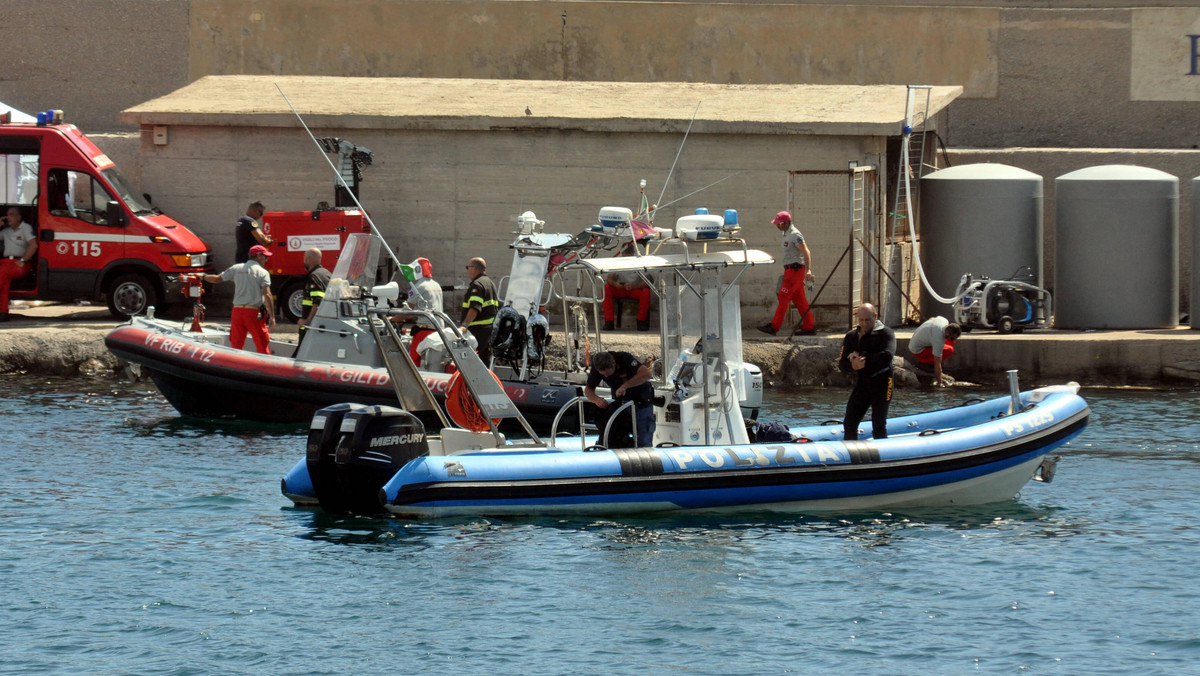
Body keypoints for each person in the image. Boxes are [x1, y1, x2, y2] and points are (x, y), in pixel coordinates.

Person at [838, 303, 896, 440]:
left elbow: (887, 356)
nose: (864, 324)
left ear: (875, 317)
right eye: (861, 320)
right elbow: (842, 364)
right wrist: (853, 365)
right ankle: (851, 454)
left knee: (878, 424)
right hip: (864, 383)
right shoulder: (851, 336)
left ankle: (883, 455)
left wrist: (863, 359)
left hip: (883, 382)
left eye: (867, 320)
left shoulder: (886, 333)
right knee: (850, 422)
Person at [205, 244, 276, 353]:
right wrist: (272, 316)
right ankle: (266, 368)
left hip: (237, 312)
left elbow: (216, 279)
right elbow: (267, 294)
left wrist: (202, 276)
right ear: (258, 256)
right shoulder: (263, 272)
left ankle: (235, 367)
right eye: (265, 256)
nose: (267, 259)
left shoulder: (236, 268)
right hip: (254, 313)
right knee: (262, 345)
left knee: (236, 346)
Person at [758, 210, 815, 336]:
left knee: (783, 297)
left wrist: (808, 269)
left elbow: (806, 251)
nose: (777, 226)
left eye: (779, 223)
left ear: (786, 223)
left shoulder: (795, 234)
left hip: (795, 272)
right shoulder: (787, 234)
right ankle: (809, 326)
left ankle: (774, 326)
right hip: (791, 271)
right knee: (800, 300)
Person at [585, 350, 655, 448]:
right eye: (603, 374)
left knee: (643, 435)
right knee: (616, 432)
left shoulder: (625, 358)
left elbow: (646, 374)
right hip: (620, 401)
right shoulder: (598, 366)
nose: (606, 376)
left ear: (613, 363)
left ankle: (645, 455)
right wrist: (596, 399)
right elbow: (588, 390)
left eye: (608, 374)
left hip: (640, 399)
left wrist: (625, 386)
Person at [602, 244, 652, 331]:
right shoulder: (617, 261)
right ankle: (609, 321)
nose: (627, 255)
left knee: (646, 292)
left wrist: (634, 286)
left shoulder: (640, 261)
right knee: (606, 288)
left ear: (633, 253)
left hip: (635, 288)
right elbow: (609, 279)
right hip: (621, 288)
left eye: (630, 254)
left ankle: (641, 321)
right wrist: (616, 284)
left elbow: (646, 281)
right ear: (622, 252)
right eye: (625, 253)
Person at [0, 206, 37, 322]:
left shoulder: (25, 228)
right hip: (5, 262)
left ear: (19, 217)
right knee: (4, 282)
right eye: (7, 215)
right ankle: (3, 313)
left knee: (2, 275)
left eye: (11, 214)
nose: (8, 217)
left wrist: (23, 260)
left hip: (20, 263)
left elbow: (34, 245)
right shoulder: (5, 231)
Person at [458, 257, 498, 364]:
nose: (467, 270)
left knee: (469, 362)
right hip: (488, 331)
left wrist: (464, 326)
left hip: (476, 331)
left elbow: (475, 307)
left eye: (468, 267)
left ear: (474, 268)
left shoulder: (477, 285)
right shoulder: (490, 283)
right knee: (484, 362)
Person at [908, 316, 963, 387]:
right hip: (917, 350)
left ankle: (926, 360)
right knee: (949, 350)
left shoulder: (943, 320)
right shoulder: (938, 340)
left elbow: (932, 318)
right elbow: (938, 363)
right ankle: (924, 363)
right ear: (948, 333)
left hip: (918, 341)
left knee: (950, 343)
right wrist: (940, 383)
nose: (953, 340)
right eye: (952, 338)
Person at [295, 248, 331, 347]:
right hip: (321, 323)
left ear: (308, 259)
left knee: (302, 351)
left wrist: (307, 321)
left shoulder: (313, 276)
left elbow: (318, 300)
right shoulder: (326, 273)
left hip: (310, 325)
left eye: (304, 258)